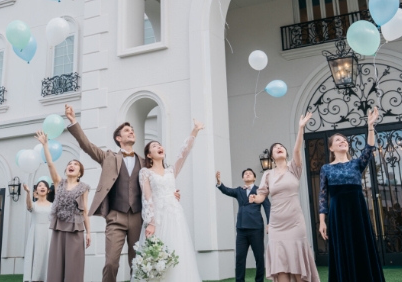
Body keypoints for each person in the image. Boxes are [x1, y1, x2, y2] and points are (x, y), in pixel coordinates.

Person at [65, 104, 180, 282]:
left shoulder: (144, 162)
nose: (131, 131)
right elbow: (86, 145)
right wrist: (73, 121)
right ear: (119, 138)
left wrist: (171, 194)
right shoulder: (108, 157)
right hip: (115, 217)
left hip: (138, 218)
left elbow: (159, 180)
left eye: (132, 130)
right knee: (111, 263)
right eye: (127, 130)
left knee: (138, 263)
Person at [249, 113, 320, 282]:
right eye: (275, 147)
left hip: (295, 222)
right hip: (276, 225)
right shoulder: (268, 174)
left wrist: (301, 128)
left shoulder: (294, 168)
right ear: (272, 156)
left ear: (286, 152)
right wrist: (255, 199)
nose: (279, 147)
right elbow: (261, 196)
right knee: (281, 266)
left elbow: (297, 150)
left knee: (297, 267)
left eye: (281, 146)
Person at [318, 107, 385, 282]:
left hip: (357, 211)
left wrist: (370, 126)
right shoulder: (326, 168)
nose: (343, 141)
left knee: (360, 244)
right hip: (338, 214)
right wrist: (322, 221)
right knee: (341, 247)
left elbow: (369, 148)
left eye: (344, 140)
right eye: (338, 140)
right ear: (331, 148)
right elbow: (323, 196)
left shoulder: (356, 164)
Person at [135, 119, 205, 282]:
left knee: (177, 249)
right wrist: (151, 222)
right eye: (154, 146)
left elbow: (184, 152)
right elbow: (147, 198)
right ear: (149, 155)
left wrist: (195, 131)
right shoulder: (145, 172)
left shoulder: (171, 171)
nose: (159, 147)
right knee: (157, 253)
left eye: (160, 145)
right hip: (157, 217)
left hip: (175, 216)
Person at [35, 129, 91, 282]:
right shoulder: (59, 183)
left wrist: (89, 233)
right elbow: (50, 164)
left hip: (76, 229)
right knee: (56, 264)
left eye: (75, 164)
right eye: (69, 164)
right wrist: (45, 145)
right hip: (59, 227)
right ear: (66, 170)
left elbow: (85, 211)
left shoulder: (84, 188)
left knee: (74, 265)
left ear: (80, 173)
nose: (71, 165)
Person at [216, 168, 270, 282]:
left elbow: (267, 207)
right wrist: (219, 182)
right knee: (240, 258)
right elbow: (227, 190)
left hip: (256, 228)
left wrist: (269, 223)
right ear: (242, 178)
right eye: (245, 174)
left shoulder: (260, 191)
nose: (247, 174)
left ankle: (259, 280)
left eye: (250, 173)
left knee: (259, 257)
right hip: (241, 229)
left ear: (254, 178)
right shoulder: (239, 190)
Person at [23, 181, 52, 282]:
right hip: (35, 233)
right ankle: (34, 278)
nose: (42, 187)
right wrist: (28, 193)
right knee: (35, 255)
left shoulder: (52, 206)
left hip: (48, 233)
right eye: (40, 186)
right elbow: (29, 206)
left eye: (44, 186)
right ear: (36, 190)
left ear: (48, 190)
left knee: (47, 255)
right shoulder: (34, 205)